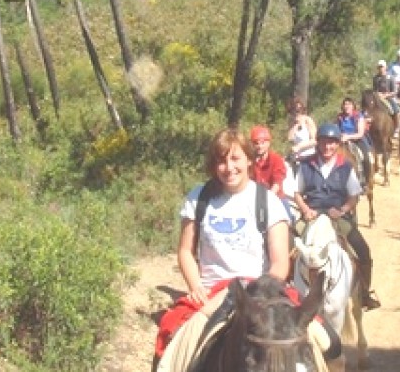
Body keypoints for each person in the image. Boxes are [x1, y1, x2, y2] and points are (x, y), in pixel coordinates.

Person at [155, 128, 291, 361]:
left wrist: (262, 293)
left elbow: (280, 262)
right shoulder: (199, 198)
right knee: (169, 342)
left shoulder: (267, 202)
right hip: (212, 294)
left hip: (259, 293)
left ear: (249, 159)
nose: (229, 167)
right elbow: (186, 251)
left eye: (235, 158)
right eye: (221, 160)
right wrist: (196, 286)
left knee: (323, 340)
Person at [294, 123, 381, 310]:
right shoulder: (306, 165)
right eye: (324, 143)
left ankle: (364, 293)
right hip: (312, 214)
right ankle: (283, 291)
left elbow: (354, 196)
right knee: (288, 245)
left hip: (337, 216)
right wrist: (305, 210)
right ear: (318, 143)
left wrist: (342, 210)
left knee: (363, 251)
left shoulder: (345, 166)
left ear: (337, 145)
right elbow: (297, 193)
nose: (328, 147)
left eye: (332, 143)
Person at [250, 125, 294, 220]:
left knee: (288, 220)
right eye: (256, 143)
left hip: (276, 197)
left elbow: (277, 183)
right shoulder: (249, 161)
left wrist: (267, 199)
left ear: (268, 143)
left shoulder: (276, 159)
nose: (259, 146)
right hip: (255, 198)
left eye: (262, 143)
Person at [336, 97, 372, 191]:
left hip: (357, 140)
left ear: (353, 106)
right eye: (345, 104)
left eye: (349, 104)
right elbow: (336, 129)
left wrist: (348, 137)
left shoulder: (358, 116)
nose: (347, 106)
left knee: (366, 158)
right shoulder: (340, 117)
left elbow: (360, 133)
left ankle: (364, 181)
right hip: (342, 140)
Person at [372, 59, 400, 135]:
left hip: (389, 97)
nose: (380, 69)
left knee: (395, 109)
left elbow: (395, 91)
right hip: (378, 97)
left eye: (382, 67)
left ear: (385, 67)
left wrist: (386, 95)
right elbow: (374, 89)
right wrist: (377, 94)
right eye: (379, 67)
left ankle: (397, 127)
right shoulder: (376, 78)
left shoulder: (390, 77)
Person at [287, 96, 317, 163]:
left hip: (309, 155)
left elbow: (314, 140)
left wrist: (299, 147)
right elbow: (290, 138)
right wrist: (295, 125)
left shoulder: (308, 120)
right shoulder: (291, 122)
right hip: (296, 157)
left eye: (299, 109)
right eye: (294, 109)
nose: (297, 112)